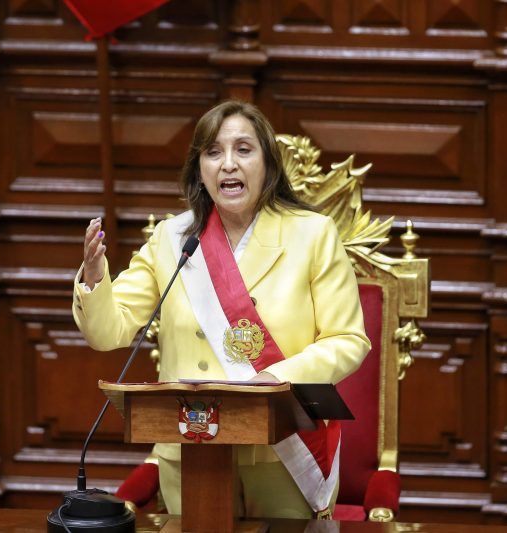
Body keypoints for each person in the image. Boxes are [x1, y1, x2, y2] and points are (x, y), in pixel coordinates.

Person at [73, 100, 370, 519]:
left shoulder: (312, 234)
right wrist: (93, 279)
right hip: (190, 445)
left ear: (268, 164)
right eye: (213, 152)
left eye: (243, 150)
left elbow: (347, 340)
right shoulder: (171, 238)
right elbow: (109, 332)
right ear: (199, 170)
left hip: (280, 450)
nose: (228, 164)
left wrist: (275, 379)